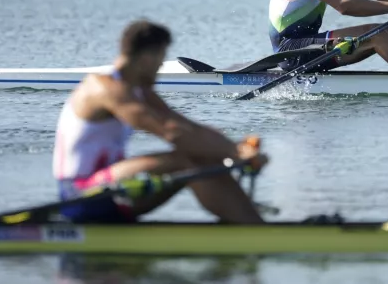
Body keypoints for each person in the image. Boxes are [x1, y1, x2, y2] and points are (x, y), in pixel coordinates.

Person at [53, 19, 267, 224]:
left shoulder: (139, 91)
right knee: (187, 161)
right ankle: (257, 232)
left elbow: (188, 127)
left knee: (204, 156)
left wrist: (236, 148)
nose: (159, 69)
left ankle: (250, 225)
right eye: (161, 60)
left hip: (111, 189)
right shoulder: (105, 89)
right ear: (147, 58)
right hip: (80, 195)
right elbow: (171, 132)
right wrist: (235, 152)